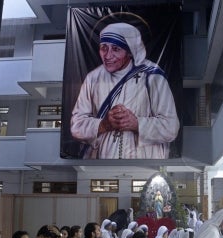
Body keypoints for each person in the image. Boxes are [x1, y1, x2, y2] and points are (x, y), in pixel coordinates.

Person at [70, 22, 180, 159]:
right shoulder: (93, 78)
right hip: (103, 160)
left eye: (115, 49)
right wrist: (103, 124)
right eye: (103, 48)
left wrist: (136, 123)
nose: (107, 55)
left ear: (130, 51)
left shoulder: (153, 76)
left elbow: (171, 127)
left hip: (144, 160)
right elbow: (76, 126)